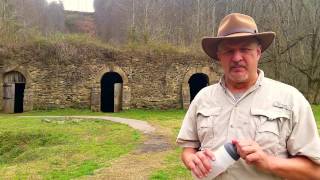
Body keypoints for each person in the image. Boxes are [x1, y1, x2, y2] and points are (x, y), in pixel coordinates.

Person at [176, 13, 320, 180]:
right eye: (229, 51)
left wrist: (268, 162)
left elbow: (314, 171)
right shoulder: (203, 98)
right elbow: (188, 149)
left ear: (258, 53)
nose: (237, 58)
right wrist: (192, 160)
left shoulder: (290, 100)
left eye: (245, 49)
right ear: (219, 57)